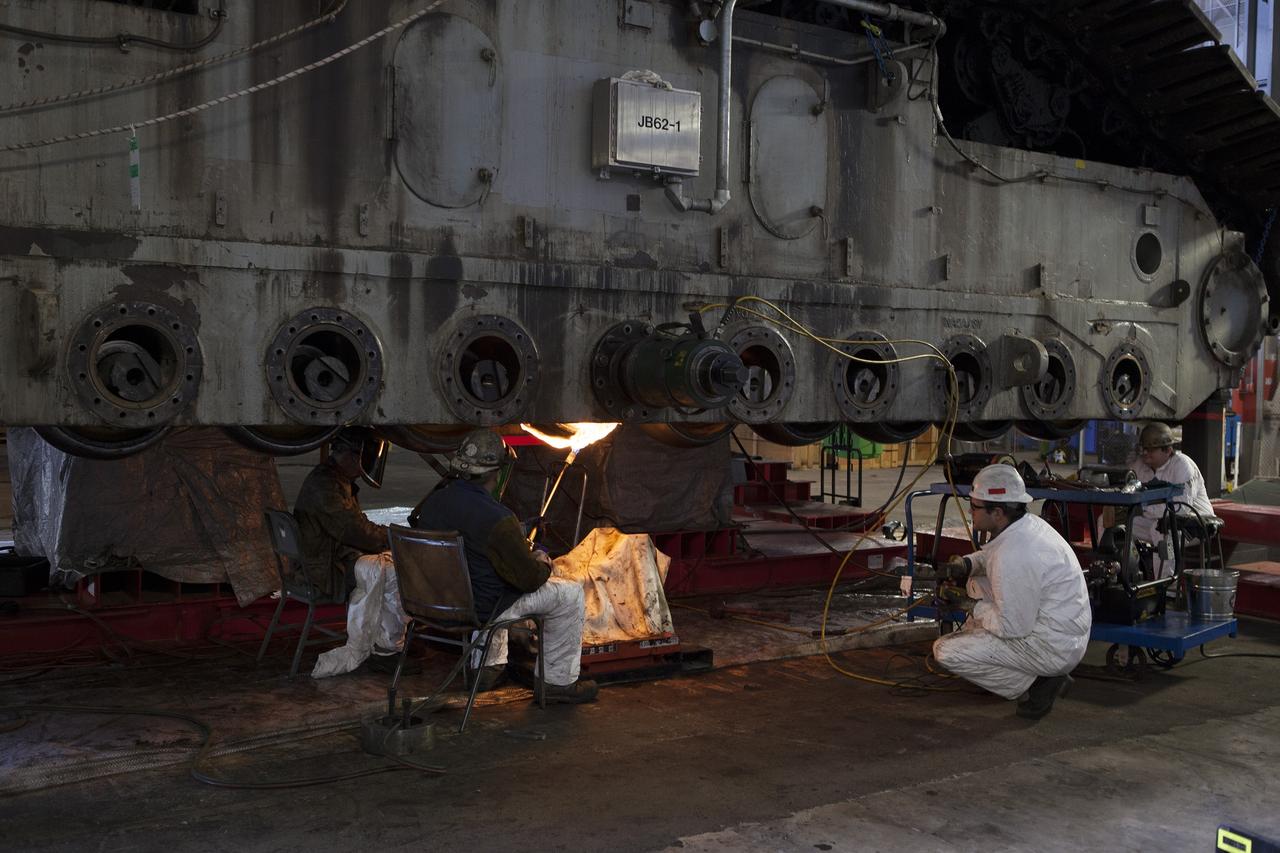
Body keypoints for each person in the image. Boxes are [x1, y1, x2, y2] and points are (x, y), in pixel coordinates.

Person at [409, 428, 598, 704]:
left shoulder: (433, 503)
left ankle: (487, 670)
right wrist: (541, 561)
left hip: (432, 600)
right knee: (568, 595)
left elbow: (470, 534)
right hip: (479, 608)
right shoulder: (499, 518)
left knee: (487, 574)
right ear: (495, 473)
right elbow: (529, 580)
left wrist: (515, 533)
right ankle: (557, 684)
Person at [932, 464, 1092, 720]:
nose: (970, 512)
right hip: (1061, 630)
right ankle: (1022, 670)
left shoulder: (1015, 555)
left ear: (997, 512)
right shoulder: (1025, 526)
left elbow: (1012, 628)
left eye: (975, 507)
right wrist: (967, 564)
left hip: (1051, 646)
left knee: (946, 651)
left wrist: (968, 606)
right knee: (975, 583)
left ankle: (1037, 684)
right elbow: (992, 555)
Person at [293, 427, 410, 677]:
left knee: (383, 567)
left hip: (324, 558)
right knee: (392, 573)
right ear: (351, 455)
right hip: (324, 569)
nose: (362, 468)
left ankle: (385, 643)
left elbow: (353, 525)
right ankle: (387, 650)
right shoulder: (326, 486)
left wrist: (386, 535)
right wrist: (393, 538)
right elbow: (353, 530)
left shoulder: (333, 480)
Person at [1130, 422, 1217, 578]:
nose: (1145, 453)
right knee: (1114, 524)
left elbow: (1181, 509)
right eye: (1144, 449)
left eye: (1151, 450)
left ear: (1168, 450)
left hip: (1195, 524)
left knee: (1160, 530)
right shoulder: (1140, 466)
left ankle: (1166, 588)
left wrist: (1143, 508)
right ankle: (1126, 575)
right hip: (1158, 521)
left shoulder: (1182, 466)